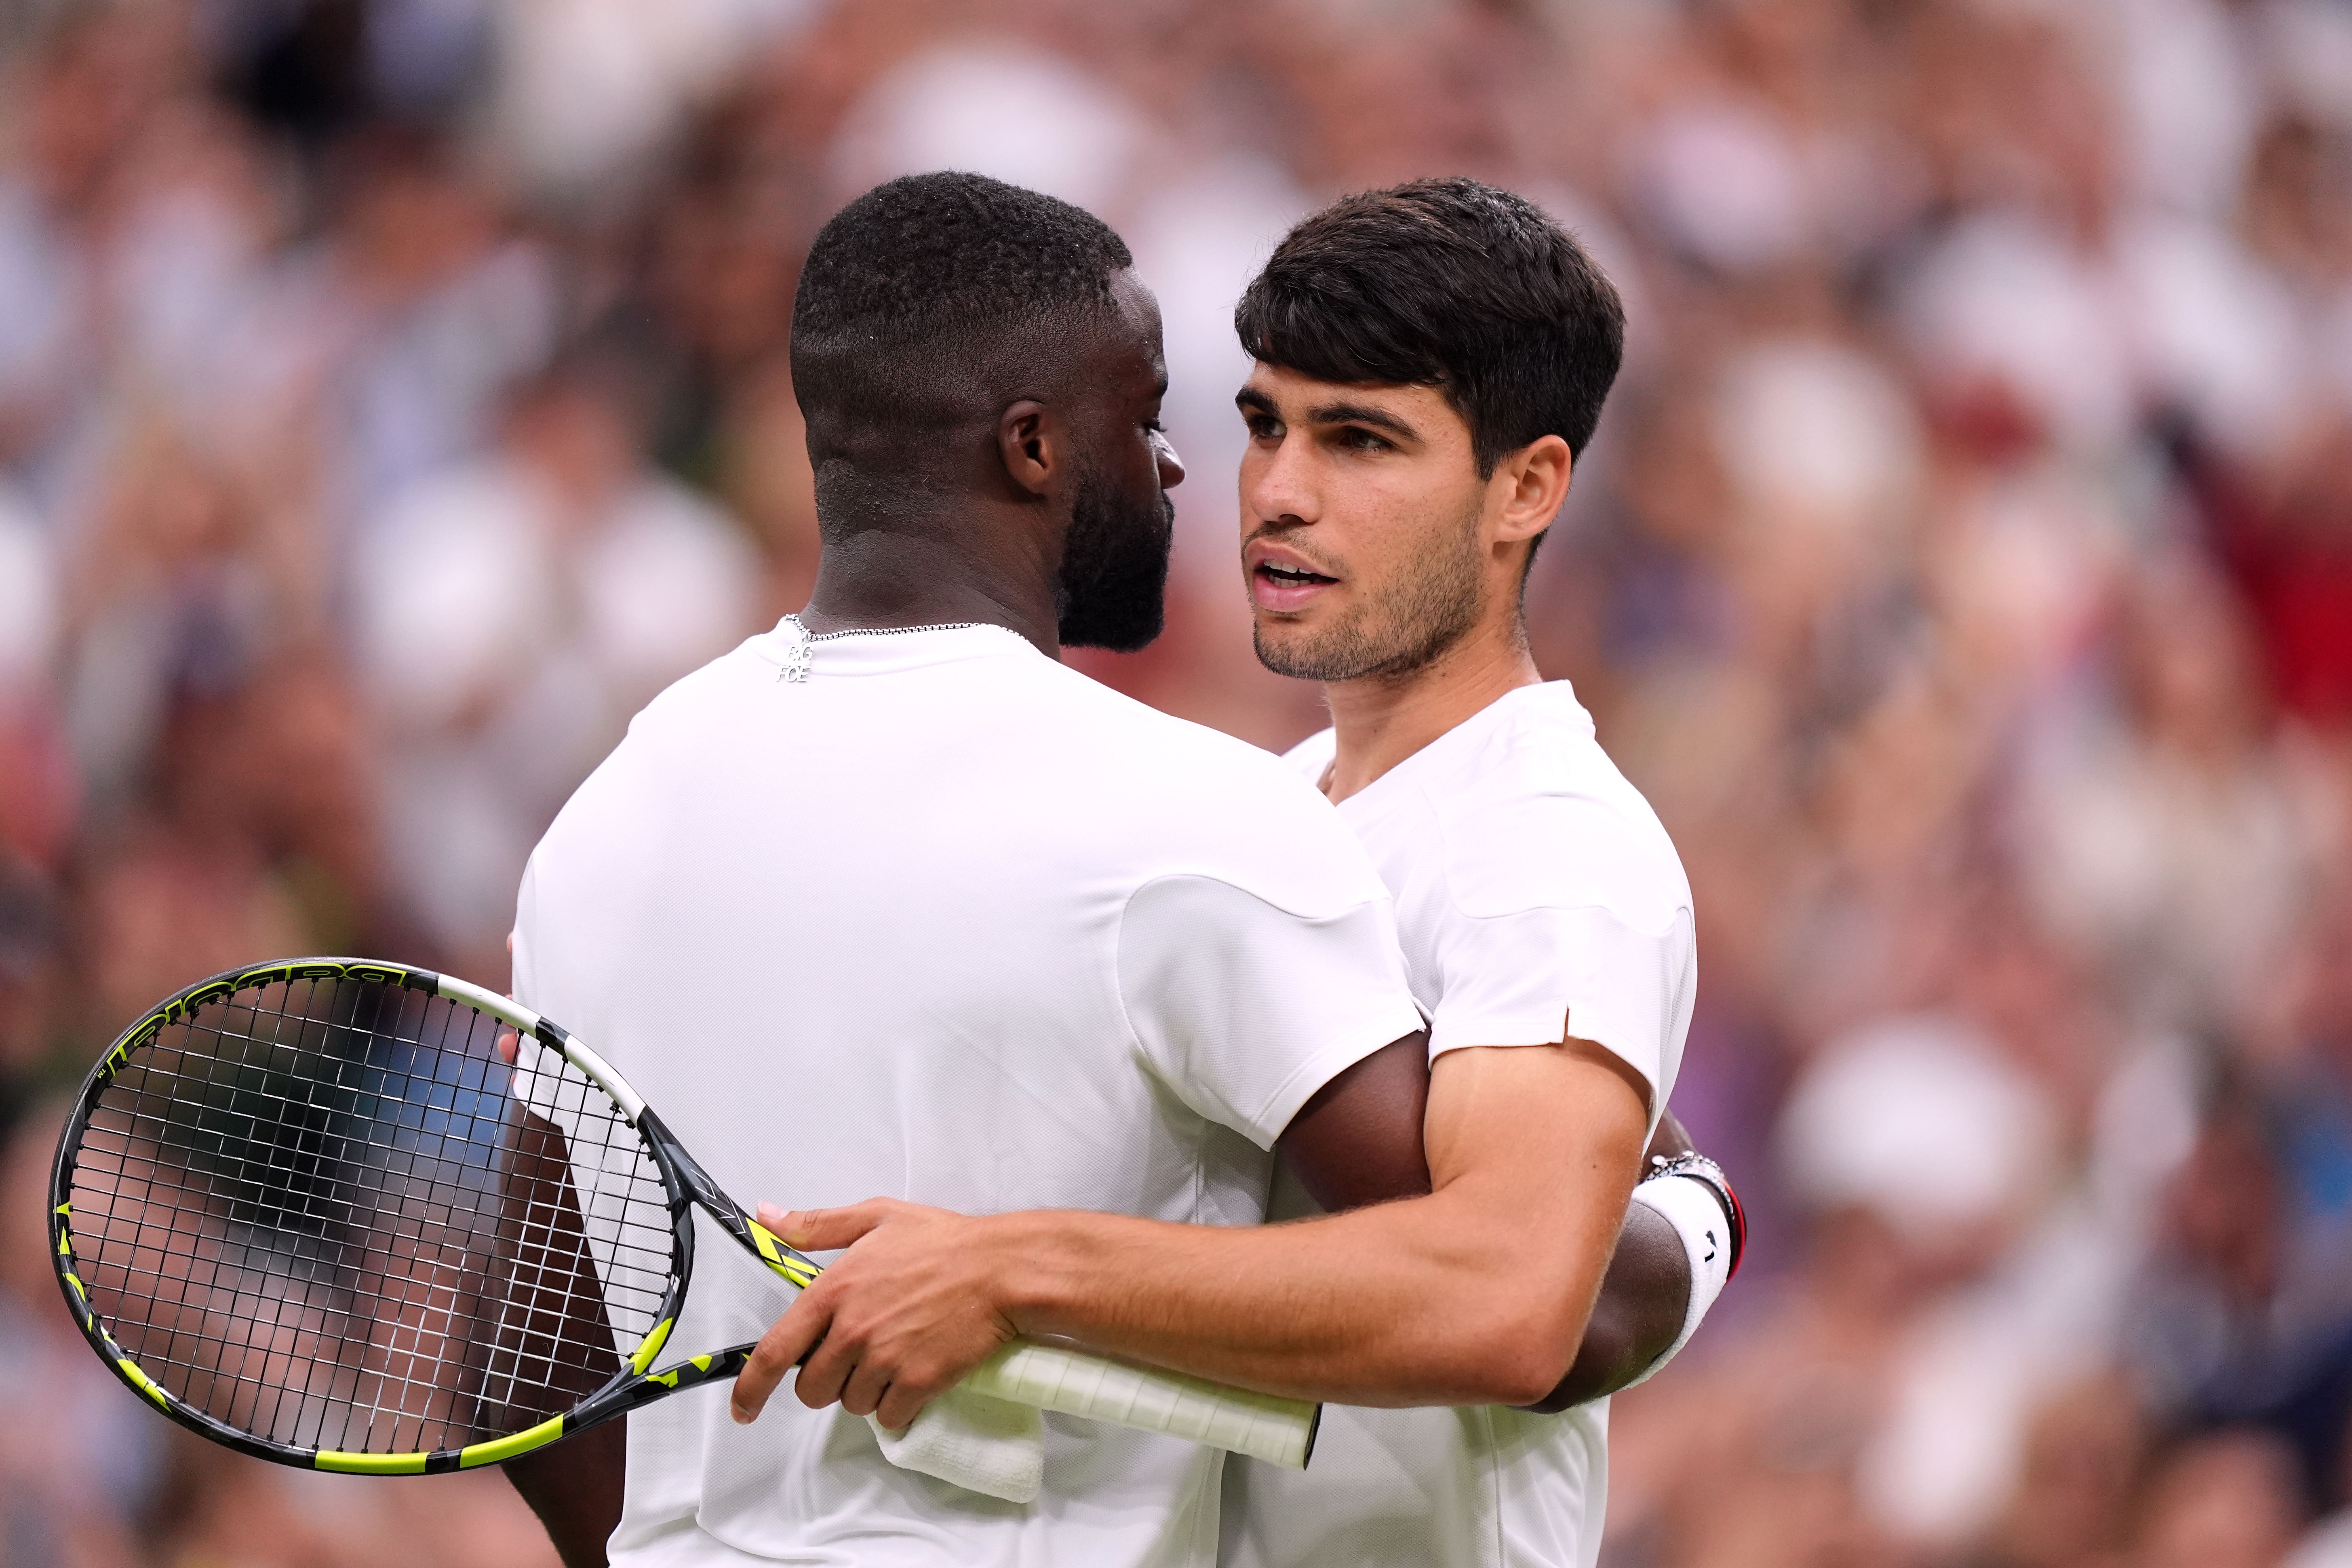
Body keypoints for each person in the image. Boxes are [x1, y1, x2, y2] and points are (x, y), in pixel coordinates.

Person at [729, 177, 1731, 1568]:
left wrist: (1009, 1266)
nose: (1282, 493)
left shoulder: (1549, 849)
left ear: (1527, 487)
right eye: (1267, 424)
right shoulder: (1255, 817)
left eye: (1363, 441)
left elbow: (1509, 1304)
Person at [503, 170, 1432, 1568]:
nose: (1174, 464)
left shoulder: (600, 819)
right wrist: (1686, 1196)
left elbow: (530, 1364)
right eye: (1144, 412)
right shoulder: (1190, 817)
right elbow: (1493, 1285)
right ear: (1033, 448)